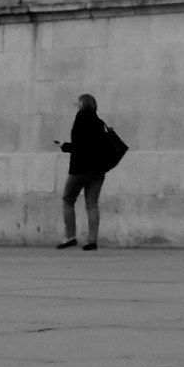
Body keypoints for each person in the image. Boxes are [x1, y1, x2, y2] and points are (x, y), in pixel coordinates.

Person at [56, 93, 122, 250]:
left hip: (80, 169)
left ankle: (70, 236)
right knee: (92, 204)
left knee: (68, 199)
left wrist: (64, 146)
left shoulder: (79, 121)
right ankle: (92, 240)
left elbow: (81, 147)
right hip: (98, 171)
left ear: (81, 105)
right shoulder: (99, 123)